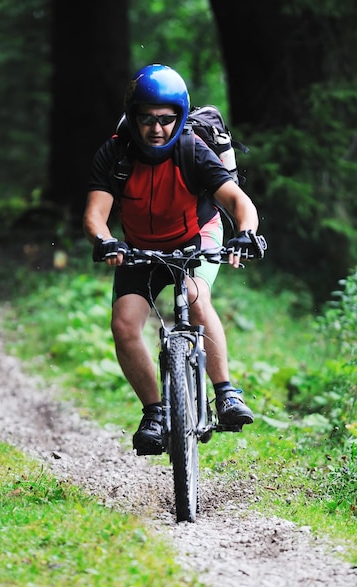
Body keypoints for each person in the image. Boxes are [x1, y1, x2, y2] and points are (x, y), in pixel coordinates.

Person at [83, 64, 264, 456]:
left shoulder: (192, 150)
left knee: (197, 297)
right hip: (139, 248)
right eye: (146, 119)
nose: (156, 128)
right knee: (125, 324)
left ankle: (226, 393)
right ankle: (156, 412)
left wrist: (245, 233)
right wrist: (105, 241)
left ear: (179, 118)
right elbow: (96, 213)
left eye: (166, 120)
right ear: (133, 118)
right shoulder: (116, 153)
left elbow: (237, 201)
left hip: (196, 238)